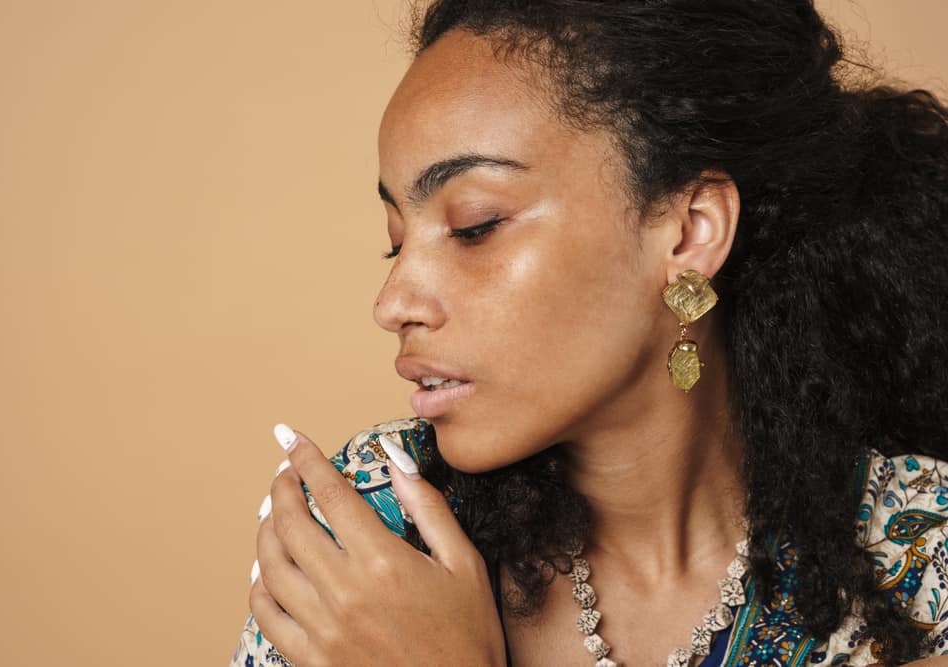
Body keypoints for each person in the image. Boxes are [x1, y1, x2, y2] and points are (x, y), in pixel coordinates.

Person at [230, 1, 948, 665]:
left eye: (474, 225)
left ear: (691, 232)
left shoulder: (921, 553)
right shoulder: (376, 539)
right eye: (396, 240)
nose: (393, 302)